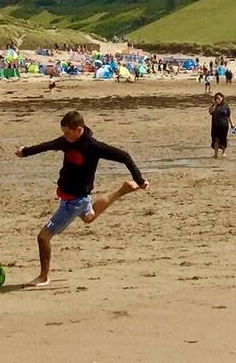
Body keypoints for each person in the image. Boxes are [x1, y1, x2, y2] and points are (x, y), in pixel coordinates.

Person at [13, 111, 147, 287]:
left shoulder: (94, 147)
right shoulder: (66, 141)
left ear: (79, 129)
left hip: (74, 201)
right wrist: (26, 152)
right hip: (80, 197)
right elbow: (48, 145)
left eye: (67, 133)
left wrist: (140, 180)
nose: (64, 136)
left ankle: (44, 277)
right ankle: (122, 190)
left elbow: (124, 156)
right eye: (63, 132)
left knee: (43, 238)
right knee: (88, 217)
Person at [209, 93, 232, 158]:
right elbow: (210, 112)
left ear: (222, 98)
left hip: (224, 125)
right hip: (215, 125)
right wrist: (215, 105)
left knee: (223, 139)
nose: (217, 99)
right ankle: (215, 154)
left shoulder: (226, 106)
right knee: (215, 139)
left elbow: (229, 116)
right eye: (216, 98)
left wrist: (232, 124)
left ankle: (223, 152)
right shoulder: (214, 105)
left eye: (218, 98)